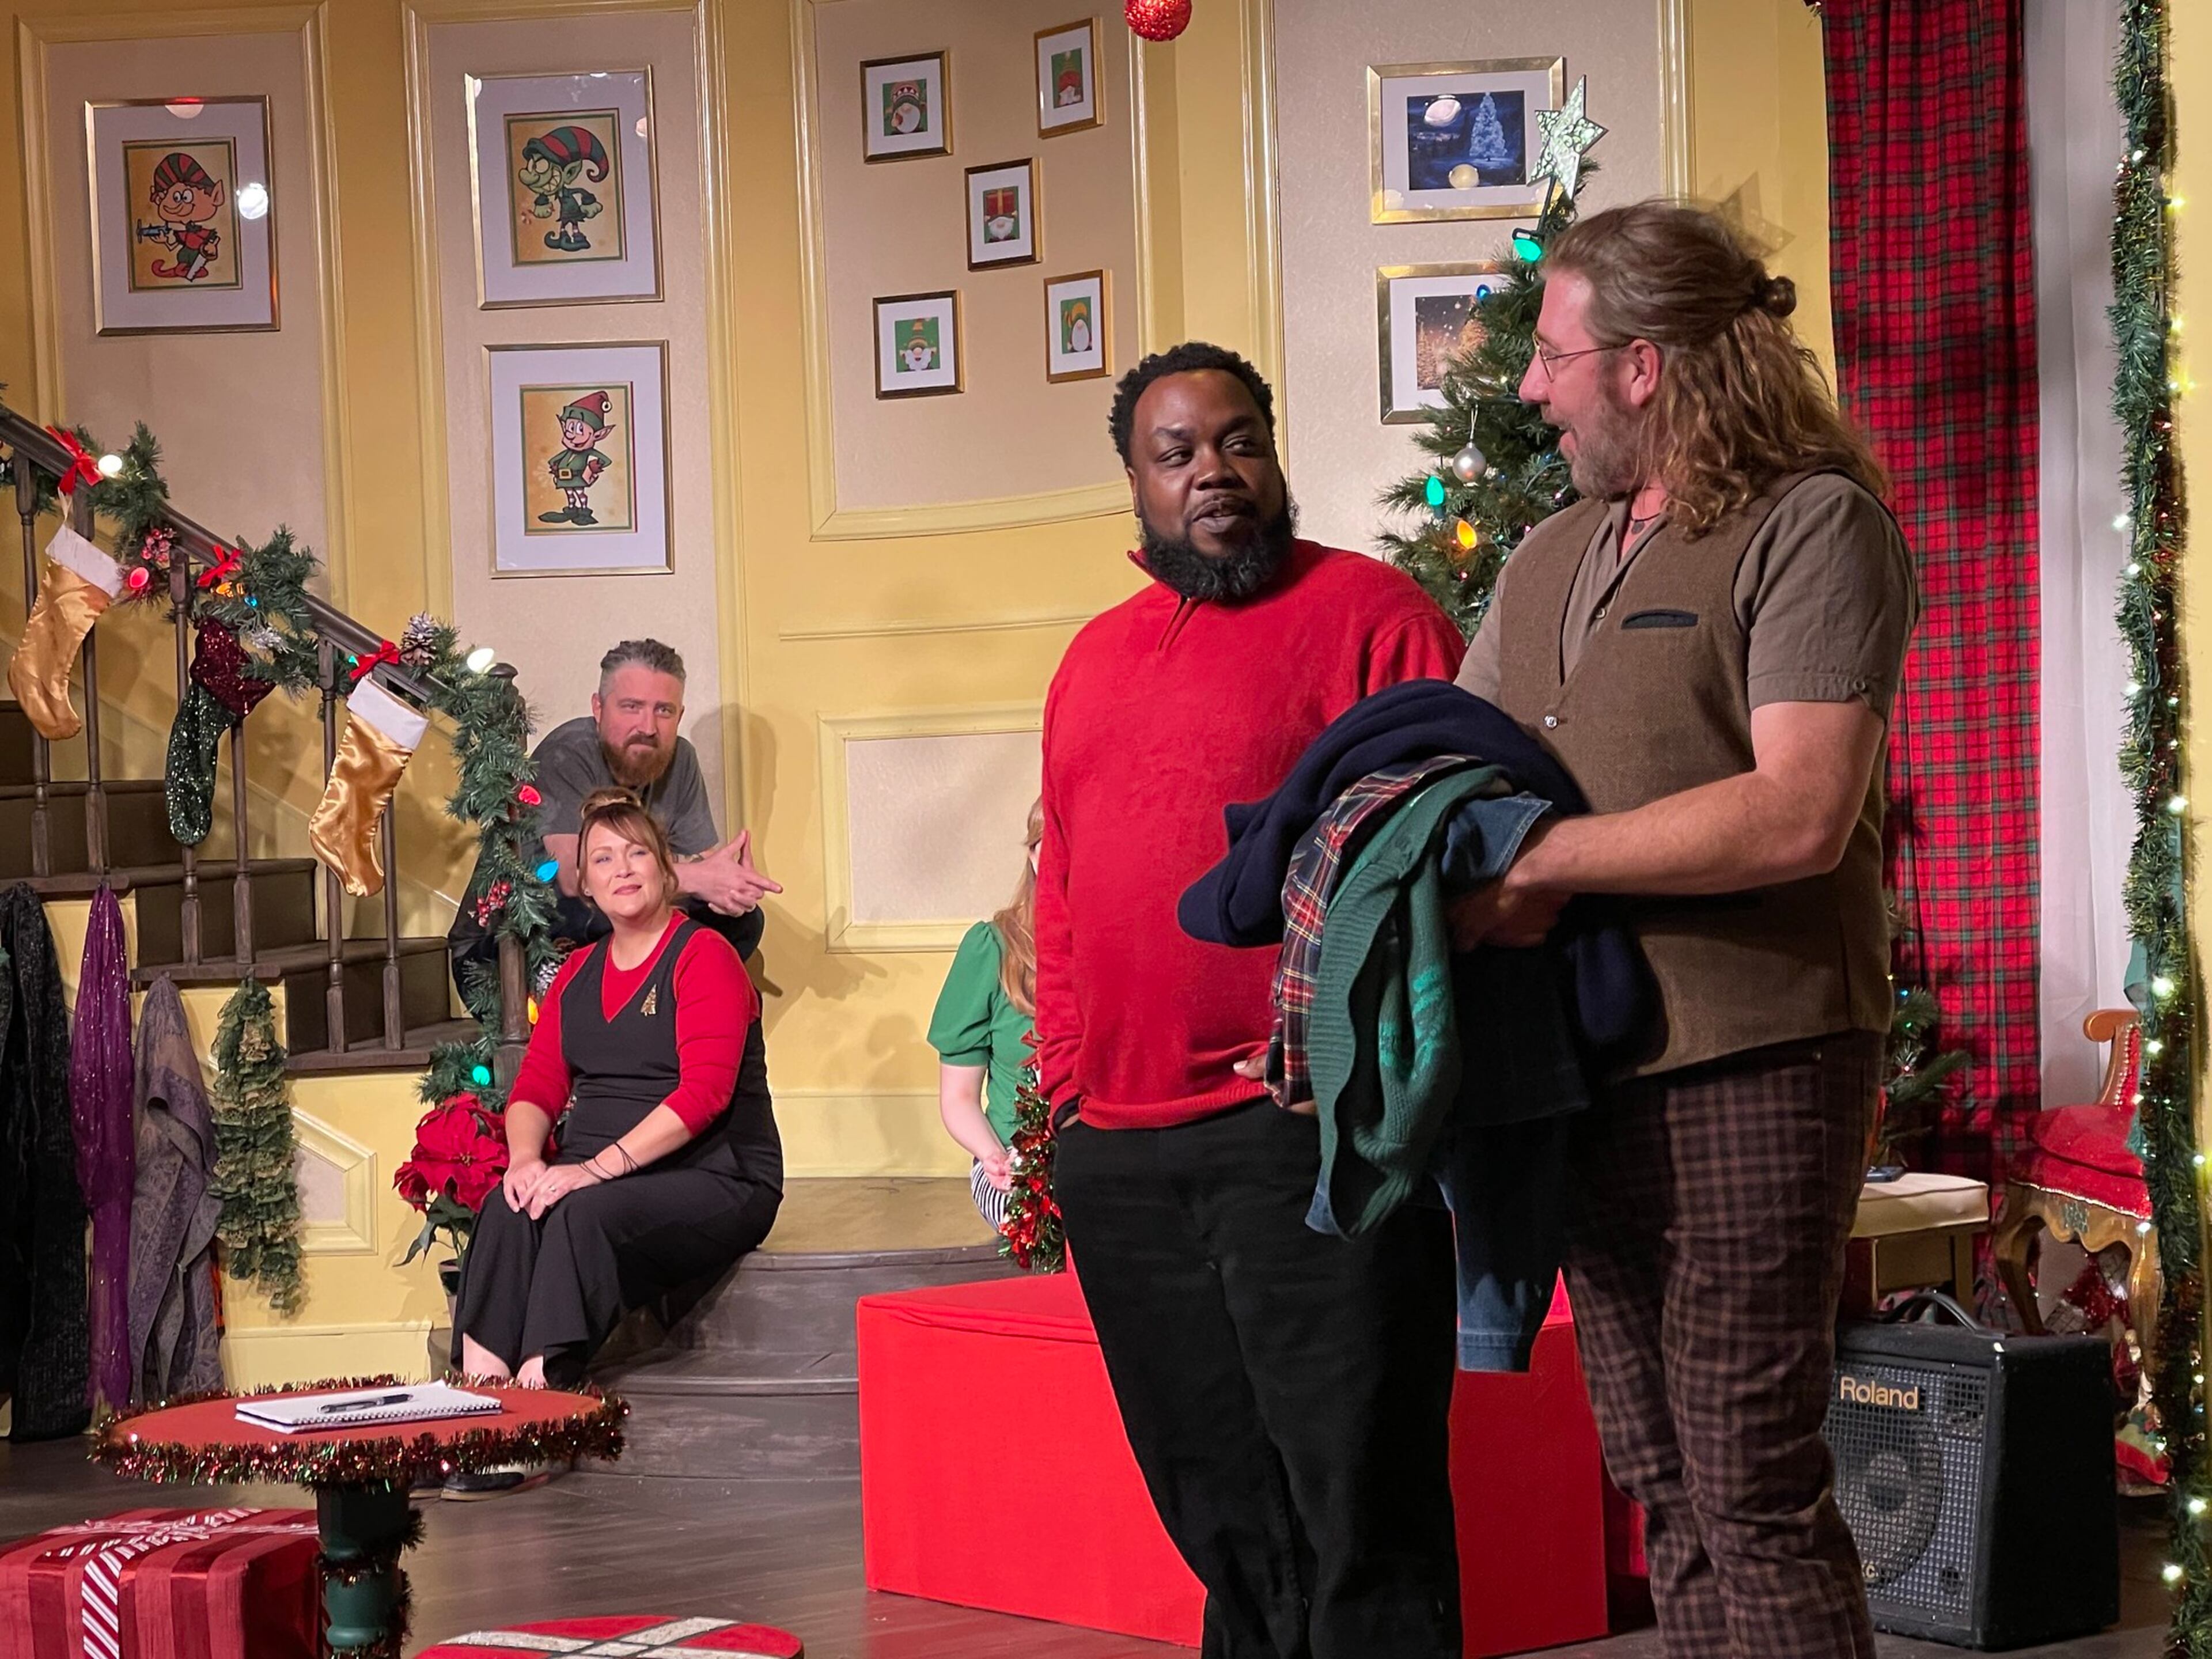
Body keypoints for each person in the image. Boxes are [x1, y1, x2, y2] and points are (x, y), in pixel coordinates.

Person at [1454, 201, 1918, 1658]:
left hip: (1755, 1050)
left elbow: (1796, 809)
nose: (1530, 385)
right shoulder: (1542, 559)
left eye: (1551, 352)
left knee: (1747, 1477)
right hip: (1573, 1067)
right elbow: (1453, 763)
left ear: (1642, 365)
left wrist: (1544, 866)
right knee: (1657, 1477)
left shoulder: (1811, 522)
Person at [1037, 342, 1468, 1657]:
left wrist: (1355, 1086)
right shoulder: (1091, 659)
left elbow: (1443, 852)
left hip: (1299, 1127)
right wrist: (1064, 1096)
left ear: (1271, 452)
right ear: (1134, 480)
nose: (1212, 473)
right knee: (1213, 1499)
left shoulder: (1372, 612)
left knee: (1358, 1494)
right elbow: (1056, 878)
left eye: (1236, 441)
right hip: (1118, 1146)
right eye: (1176, 454)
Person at [450, 788, 782, 1493]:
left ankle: (546, 1406)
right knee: (510, 1206)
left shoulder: (705, 958)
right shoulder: (576, 973)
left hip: (719, 1176)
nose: (622, 869)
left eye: (637, 853)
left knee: (576, 1213)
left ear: (666, 870)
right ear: (587, 884)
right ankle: (480, 1401)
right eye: (603, 857)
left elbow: (703, 1096)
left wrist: (594, 1170)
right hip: (603, 1173)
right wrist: (527, 1159)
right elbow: (537, 1086)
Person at [452, 639, 778, 988]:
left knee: (741, 924)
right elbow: (573, 875)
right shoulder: (568, 752)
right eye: (632, 707)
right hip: (504, 941)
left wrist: (732, 889)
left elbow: (705, 866)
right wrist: (697, 879)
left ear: (679, 715)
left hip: (611, 916)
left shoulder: (680, 759)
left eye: (664, 711)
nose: (648, 727)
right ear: (598, 708)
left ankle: (669, 1014)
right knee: (597, 909)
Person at [925, 800, 1041, 1229]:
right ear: (1033, 855)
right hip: (1015, 1158)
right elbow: (958, 1097)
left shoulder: (1125, 946)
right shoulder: (993, 948)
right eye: (1050, 843)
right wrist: (995, 1157)